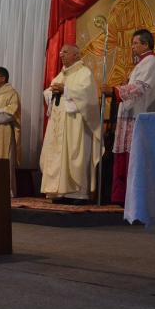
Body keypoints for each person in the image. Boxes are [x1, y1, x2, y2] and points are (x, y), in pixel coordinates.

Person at [102, 29, 155, 205]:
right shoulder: (141, 64)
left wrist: (115, 91)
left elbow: (142, 87)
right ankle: (121, 197)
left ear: (146, 44)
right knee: (123, 157)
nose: (132, 46)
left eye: (135, 43)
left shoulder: (151, 62)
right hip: (129, 116)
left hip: (138, 117)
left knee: (134, 158)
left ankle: (133, 200)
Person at [39, 44, 102, 203]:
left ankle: (78, 194)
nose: (61, 54)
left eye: (65, 52)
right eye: (61, 52)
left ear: (76, 55)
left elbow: (87, 97)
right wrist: (51, 92)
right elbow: (50, 93)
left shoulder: (84, 73)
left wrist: (66, 90)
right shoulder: (60, 75)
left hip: (76, 125)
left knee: (75, 155)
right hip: (59, 125)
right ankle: (60, 192)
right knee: (58, 157)